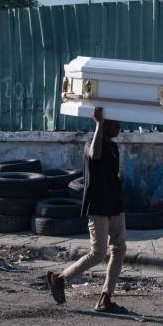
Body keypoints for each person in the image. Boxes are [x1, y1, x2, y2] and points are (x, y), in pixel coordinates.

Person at [46, 106, 128, 314]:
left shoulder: (114, 147)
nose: (119, 128)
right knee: (98, 253)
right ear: (106, 125)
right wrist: (99, 123)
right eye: (115, 124)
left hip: (115, 206)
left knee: (119, 249)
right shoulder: (91, 144)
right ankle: (59, 279)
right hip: (98, 206)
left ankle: (105, 298)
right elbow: (95, 155)